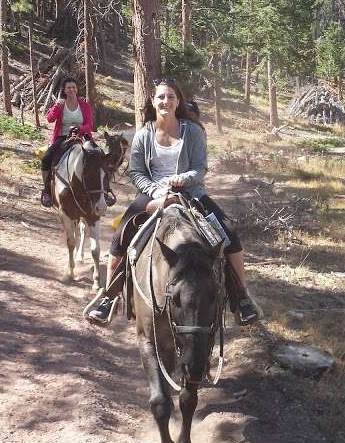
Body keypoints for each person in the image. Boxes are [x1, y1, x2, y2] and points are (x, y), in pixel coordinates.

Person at [86, 78, 262, 325]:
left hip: (191, 194)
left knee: (230, 233)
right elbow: (136, 172)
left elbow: (200, 168)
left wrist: (182, 179)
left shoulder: (193, 132)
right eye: (161, 97)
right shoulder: (143, 135)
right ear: (153, 101)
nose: (165, 101)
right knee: (120, 239)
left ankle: (241, 299)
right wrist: (156, 192)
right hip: (152, 195)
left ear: (178, 101)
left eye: (170, 96)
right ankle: (109, 297)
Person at [40, 78, 95, 207]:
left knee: (98, 156)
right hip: (63, 137)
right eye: (69, 87)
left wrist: (80, 129)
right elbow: (49, 119)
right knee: (46, 158)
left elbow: (90, 125)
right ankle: (47, 190)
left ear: (77, 89)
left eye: (74, 87)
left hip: (82, 137)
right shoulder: (61, 104)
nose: (72, 90)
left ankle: (103, 191)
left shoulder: (84, 104)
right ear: (64, 90)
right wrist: (56, 106)